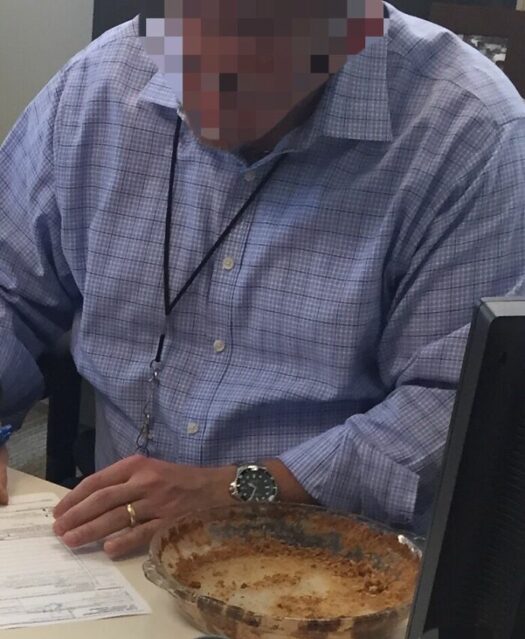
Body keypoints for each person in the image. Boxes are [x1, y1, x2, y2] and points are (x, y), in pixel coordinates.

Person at [0, 0, 524, 558]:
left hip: (336, 564)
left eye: (254, 43)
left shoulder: (473, 136)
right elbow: (10, 286)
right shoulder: (100, 84)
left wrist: (243, 490)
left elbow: (450, 405)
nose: (199, 76)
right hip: (118, 550)